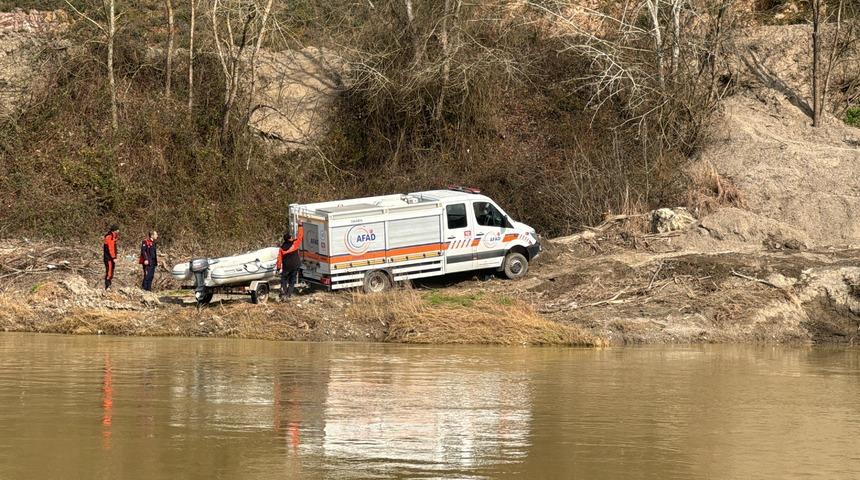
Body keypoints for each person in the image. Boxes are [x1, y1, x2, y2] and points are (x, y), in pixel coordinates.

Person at [276, 223, 304, 301]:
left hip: (286, 267)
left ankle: (284, 293)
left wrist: (278, 268)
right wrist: (300, 226)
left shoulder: (281, 248)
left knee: (283, 280)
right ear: (290, 239)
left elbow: (279, 259)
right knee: (292, 281)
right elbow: (300, 236)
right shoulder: (294, 244)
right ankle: (288, 295)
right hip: (295, 266)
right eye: (291, 237)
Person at [103, 225, 119, 290]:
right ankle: (107, 286)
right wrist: (114, 257)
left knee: (111, 271)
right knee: (109, 272)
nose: (119, 231)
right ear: (114, 230)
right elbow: (110, 248)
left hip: (111, 258)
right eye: (117, 230)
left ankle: (109, 285)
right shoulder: (109, 237)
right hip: (108, 258)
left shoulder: (113, 236)